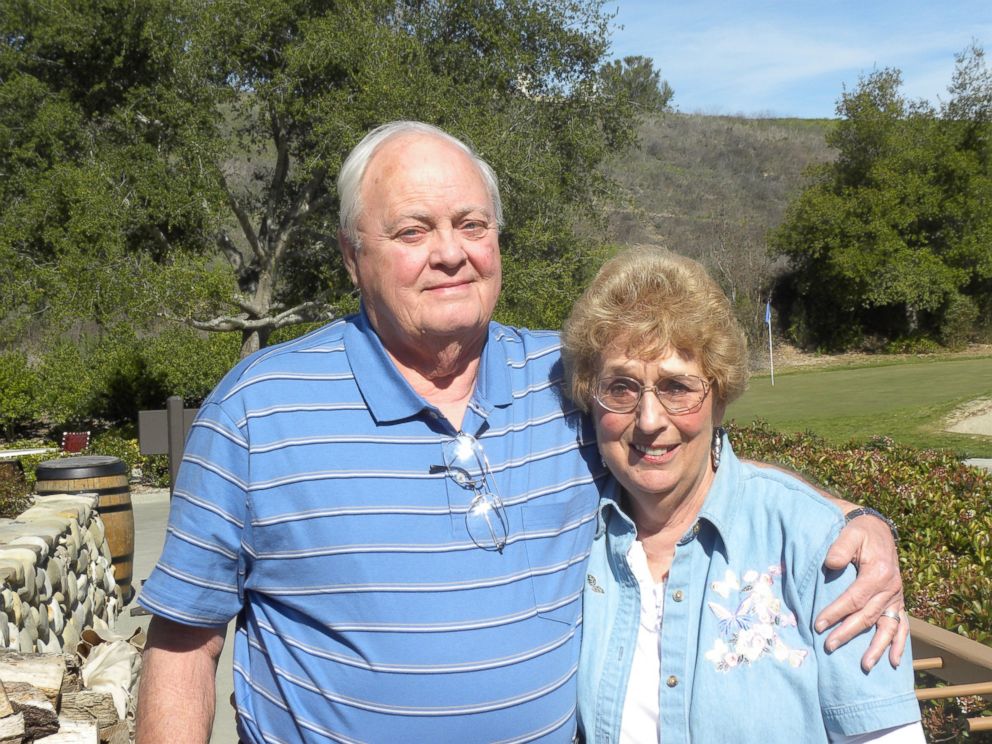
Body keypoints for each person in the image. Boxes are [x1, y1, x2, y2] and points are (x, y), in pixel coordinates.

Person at [135, 122, 906, 743]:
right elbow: (185, 645)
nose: (450, 252)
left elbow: (696, 461)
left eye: (472, 224)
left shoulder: (568, 378)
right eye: (413, 230)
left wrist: (852, 524)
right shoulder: (257, 410)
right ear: (351, 254)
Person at [564, 246, 923, 742]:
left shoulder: (820, 548)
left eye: (677, 387)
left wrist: (856, 518)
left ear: (719, 398)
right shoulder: (576, 538)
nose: (649, 421)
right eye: (621, 388)